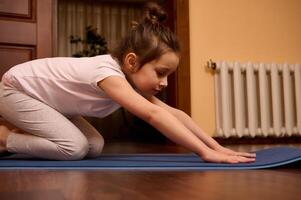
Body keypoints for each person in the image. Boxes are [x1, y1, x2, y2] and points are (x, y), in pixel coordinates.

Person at [0, 3, 255, 163]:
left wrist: (217, 146)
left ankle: (20, 133)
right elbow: (154, 115)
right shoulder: (108, 74)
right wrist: (204, 153)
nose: (164, 83)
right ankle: (4, 138)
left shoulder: (128, 81)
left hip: (48, 103)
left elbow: (175, 114)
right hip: (15, 90)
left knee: (94, 146)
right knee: (74, 148)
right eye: (160, 73)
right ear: (132, 62)